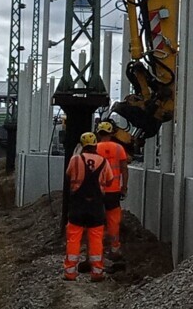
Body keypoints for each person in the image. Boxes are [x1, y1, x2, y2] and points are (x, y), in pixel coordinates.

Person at [63, 132, 114, 282]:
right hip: (96, 206)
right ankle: (97, 272)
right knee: (96, 239)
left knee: (73, 238)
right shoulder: (103, 162)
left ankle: (70, 272)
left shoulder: (75, 159)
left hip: (78, 205)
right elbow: (110, 181)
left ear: (82, 145)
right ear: (95, 144)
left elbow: (68, 175)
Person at [95, 120, 129, 260]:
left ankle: (98, 249)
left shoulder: (94, 148)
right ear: (111, 133)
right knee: (113, 220)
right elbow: (124, 169)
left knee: (97, 220)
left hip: (97, 191)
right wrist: (124, 187)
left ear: (98, 133)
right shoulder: (119, 148)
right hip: (114, 191)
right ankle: (114, 248)